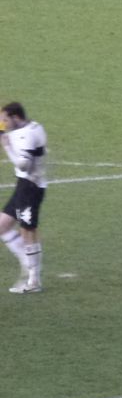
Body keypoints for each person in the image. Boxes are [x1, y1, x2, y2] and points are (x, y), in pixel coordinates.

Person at [0, 102, 47, 294]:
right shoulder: (34, 126)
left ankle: (34, 280)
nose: (3, 123)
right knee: (2, 225)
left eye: (5, 119)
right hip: (23, 185)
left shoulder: (27, 135)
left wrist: (7, 147)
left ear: (16, 117)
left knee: (28, 230)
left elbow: (24, 166)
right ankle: (26, 263)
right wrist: (3, 132)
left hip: (31, 186)